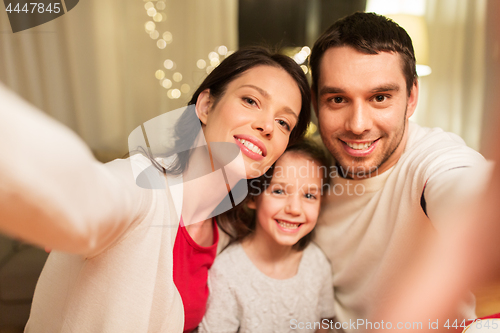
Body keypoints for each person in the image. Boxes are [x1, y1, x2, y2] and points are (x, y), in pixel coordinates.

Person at [0, 47, 311, 332]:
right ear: (205, 106)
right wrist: (65, 206)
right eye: (251, 101)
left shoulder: (227, 235)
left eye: (284, 123)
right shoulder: (141, 185)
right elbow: (89, 194)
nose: (267, 126)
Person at [308, 12, 491, 330]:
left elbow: (464, 188)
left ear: (411, 98)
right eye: (337, 99)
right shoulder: (304, 166)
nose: (358, 125)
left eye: (380, 98)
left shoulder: (433, 160)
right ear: (315, 104)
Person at [199, 140, 336, 333]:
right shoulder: (227, 273)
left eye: (309, 196)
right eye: (279, 191)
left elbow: (324, 326)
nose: (294, 209)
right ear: (253, 197)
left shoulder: (316, 262)